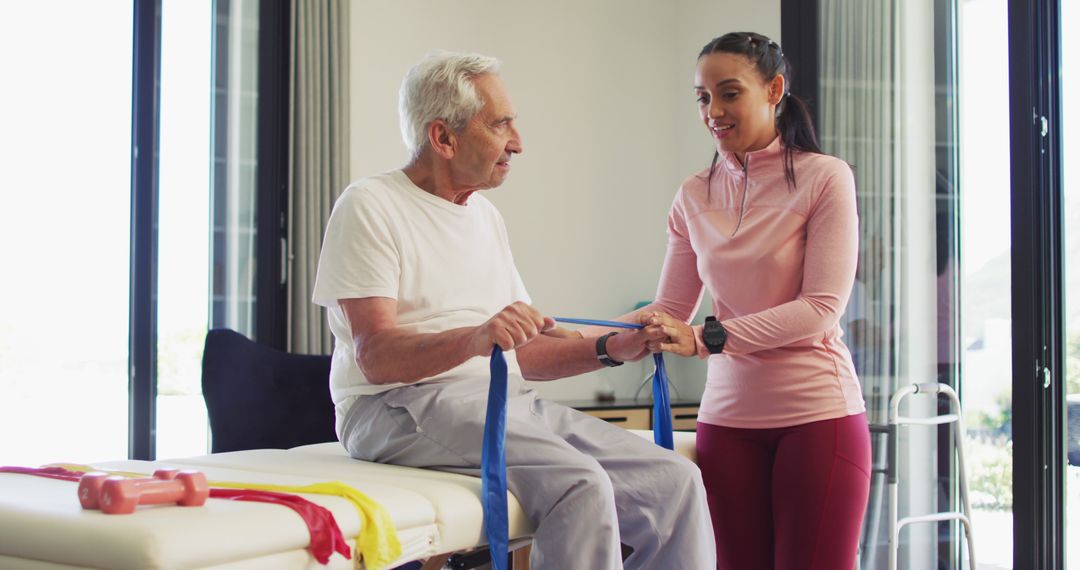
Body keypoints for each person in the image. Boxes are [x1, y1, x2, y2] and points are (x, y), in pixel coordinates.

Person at [311, 51, 714, 569]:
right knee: (580, 484)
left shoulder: (485, 217)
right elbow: (376, 356)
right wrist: (475, 338)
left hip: (503, 397)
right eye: (500, 124)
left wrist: (613, 348)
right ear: (443, 138)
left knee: (674, 481)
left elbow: (524, 353)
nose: (517, 142)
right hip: (394, 406)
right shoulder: (369, 204)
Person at [614, 32, 871, 568]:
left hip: (817, 417)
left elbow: (821, 307)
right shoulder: (694, 194)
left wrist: (711, 338)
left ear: (774, 89)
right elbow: (669, 312)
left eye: (729, 93)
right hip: (727, 425)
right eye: (703, 98)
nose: (714, 111)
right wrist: (573, 335)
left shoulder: (825, 179)